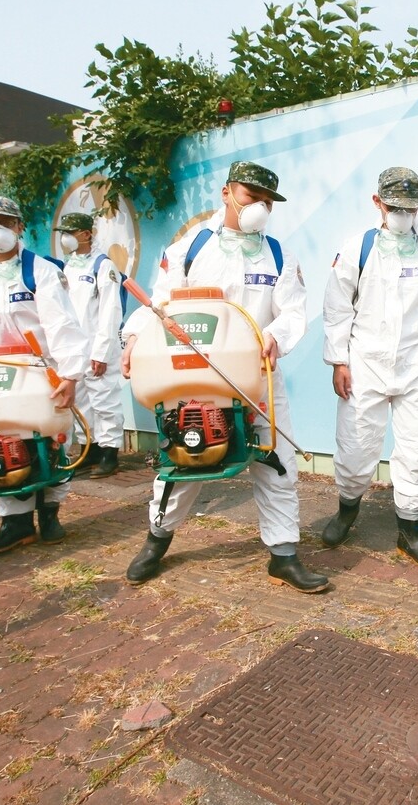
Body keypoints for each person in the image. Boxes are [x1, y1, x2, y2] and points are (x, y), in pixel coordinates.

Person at [120, 161, 328, 593]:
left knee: (277, 464)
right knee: (185, 455)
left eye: (268, 202)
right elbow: (157, 304)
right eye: (253, 197)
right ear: (227, 192)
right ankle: (156, 542)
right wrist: (133, 339)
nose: (260, 208)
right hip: (193, 375)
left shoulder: (277, 254)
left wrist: (275, 336)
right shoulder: (189, 248)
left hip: (258, 376)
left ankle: (284, 554)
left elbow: (292, 310)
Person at [320, 167, 418, 569]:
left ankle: (410, 530)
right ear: (377, 203)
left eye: (410, 209)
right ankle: (347, 510)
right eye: (395, 207)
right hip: (364, 363)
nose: (403, 215)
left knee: (417, 450)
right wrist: (339, 360)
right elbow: (336, 307)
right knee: (356, 445)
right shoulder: (357, 249)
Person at [0, 196, 87, 555]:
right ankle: (15, 523)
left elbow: (61, 322)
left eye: (5, 222)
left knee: (55, 442)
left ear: (19, 227)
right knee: (2, 442)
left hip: (43, 369)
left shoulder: (41, 270)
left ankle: (50, 513)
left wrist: (69, 375)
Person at [55, 212, 125, 478]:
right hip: (74, 348)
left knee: (104, 400)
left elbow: (110, 310)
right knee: (81, 401)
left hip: (98, 345)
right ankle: (90, 448)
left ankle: (110, 452)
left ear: (86, 234)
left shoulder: (103, 265)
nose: (66, 238)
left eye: (71, 233)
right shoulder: (66, 267)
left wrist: (102, 351)